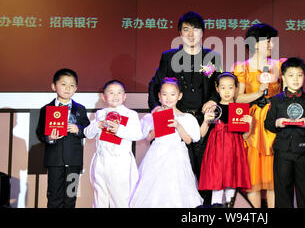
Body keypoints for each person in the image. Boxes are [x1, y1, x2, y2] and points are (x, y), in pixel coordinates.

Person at [147, 11, 221, 204]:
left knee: (204, 174)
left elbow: (217, 85)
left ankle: (203, 212)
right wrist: (156, 110)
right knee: (176, 176)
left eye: (195, 29)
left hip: (202, 122)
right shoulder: (169, 56)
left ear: (202, 33)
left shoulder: (212, 57)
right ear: (180, 33)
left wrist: (213, 100)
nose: (191, 34)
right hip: (176, 122)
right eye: (186, 30)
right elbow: (155, 85)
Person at [232, 23, 284, 208]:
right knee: (252, 180)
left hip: (274, 124)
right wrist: (259, 94)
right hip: (252, 126)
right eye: (267, 41)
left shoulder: (279, 66)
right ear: (254, 43)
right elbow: (238, 98)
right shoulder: (242, 68)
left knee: (274, 179)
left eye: (272, 41)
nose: (271, 45)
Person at [130, 78, 203, 208]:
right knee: (154, 192)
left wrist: (177, 125)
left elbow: (189, 140)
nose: (168, 98)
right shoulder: (152, 116)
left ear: (179, 96)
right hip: (157, 154)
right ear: (159, 96)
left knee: (176, 191)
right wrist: (156, 125)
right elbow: (147, 138)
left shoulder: (186, 118)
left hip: (178, 157)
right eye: (164, 94)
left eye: (172, 94)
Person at [264, 57, 305, 208]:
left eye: (299, 75)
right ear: (283, 77)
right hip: (282, 152)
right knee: (283, 194)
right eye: (291, 75)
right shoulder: (276, 100)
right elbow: (268, 124)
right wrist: (278, 123)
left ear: (304, 76)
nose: (295, 79)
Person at [36, 68, 90, 208]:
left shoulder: (80, 109)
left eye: (72, 85)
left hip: (74, 162)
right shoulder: (46, 109)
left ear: (76, 88)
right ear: (54, 86)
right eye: (63, 84)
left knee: (70, 197)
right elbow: (40, 133)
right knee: (54, 196)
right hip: (55, 161)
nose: (68, 88)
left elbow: (88, 130)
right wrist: (50, 137)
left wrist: (79, 129)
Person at [84, 80, 142, 208]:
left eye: (119, 93)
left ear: (124, 96)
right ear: (104, 97)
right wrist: (98, 125)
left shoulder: (130, 114)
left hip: (120, 162)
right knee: (100, 198)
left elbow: (138, 134)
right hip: (100, 160)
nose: (115, 96)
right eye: (111, 93)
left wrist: (119, 130)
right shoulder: (100, 114)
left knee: (120, 198)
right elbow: (88, 133)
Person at [198, 72, 252, 207]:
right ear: (217, 89)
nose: (227, 91)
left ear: (236, 88)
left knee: (231, 184)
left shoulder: (240, 110)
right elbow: (201, 134)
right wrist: (206, 121)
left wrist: (249, 124)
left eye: (230, 87)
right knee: (216, 184)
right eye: (223, 87)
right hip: (216, 151)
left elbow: (245, 136)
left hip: (234, 150)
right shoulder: (213, 109)